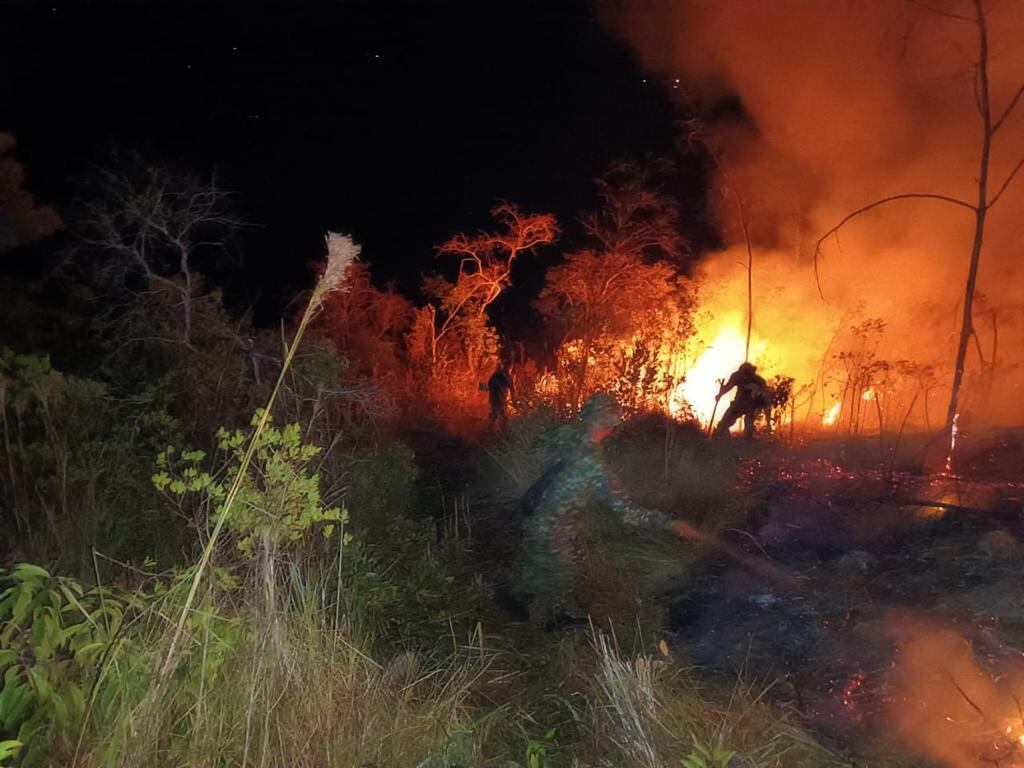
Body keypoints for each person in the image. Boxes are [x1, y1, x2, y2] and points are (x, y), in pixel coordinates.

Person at [517, 393, 681, 628]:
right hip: (551, 527)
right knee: (565, 566)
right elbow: (625, 511)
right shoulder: (596, 466)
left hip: (534, 514)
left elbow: (538, 446)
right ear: (608, 422)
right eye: (615, 421)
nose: (615, 426)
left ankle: (527, 594)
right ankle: (551, 616)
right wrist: (666, 523)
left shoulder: (565, 433)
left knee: (562, 559)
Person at [714, 362, 769, 438]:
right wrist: (720, 394)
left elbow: (766, 395)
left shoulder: (758, 381)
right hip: (739, 403)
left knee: (748, 424)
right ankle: (723, 438)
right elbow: (728, 387)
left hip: (751, 405)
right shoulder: (738, 376)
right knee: (724, 422)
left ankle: (746, 442)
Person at [486, 361, 514, 430]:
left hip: (498, 400)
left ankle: (498, 431)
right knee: (498, 417)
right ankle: (488, 431)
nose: (509, 369)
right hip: (498, 400)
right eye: (509, 368)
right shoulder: (502, 376)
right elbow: (511, 388)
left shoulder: (497, 375)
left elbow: (489, 385)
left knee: (500, 417)